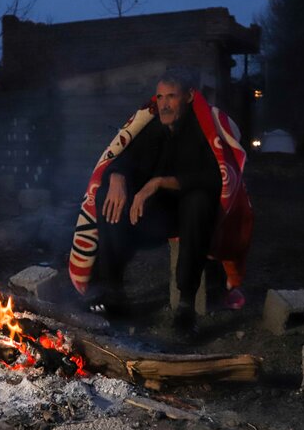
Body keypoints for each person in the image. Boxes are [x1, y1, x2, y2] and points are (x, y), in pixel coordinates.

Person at [68, 68, 253, 333]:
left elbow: (213, 178)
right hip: (157, 216)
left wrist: (158, 183)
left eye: (171, 97)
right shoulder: (154, 127)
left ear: (188, 97)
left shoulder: (204, 128)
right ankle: (113, 295)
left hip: (194, 217)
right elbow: (128, 157)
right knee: (108, 195)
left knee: (197, 202)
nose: (163, 104)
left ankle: (186, 306)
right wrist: (118, 177)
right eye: (160, 97)